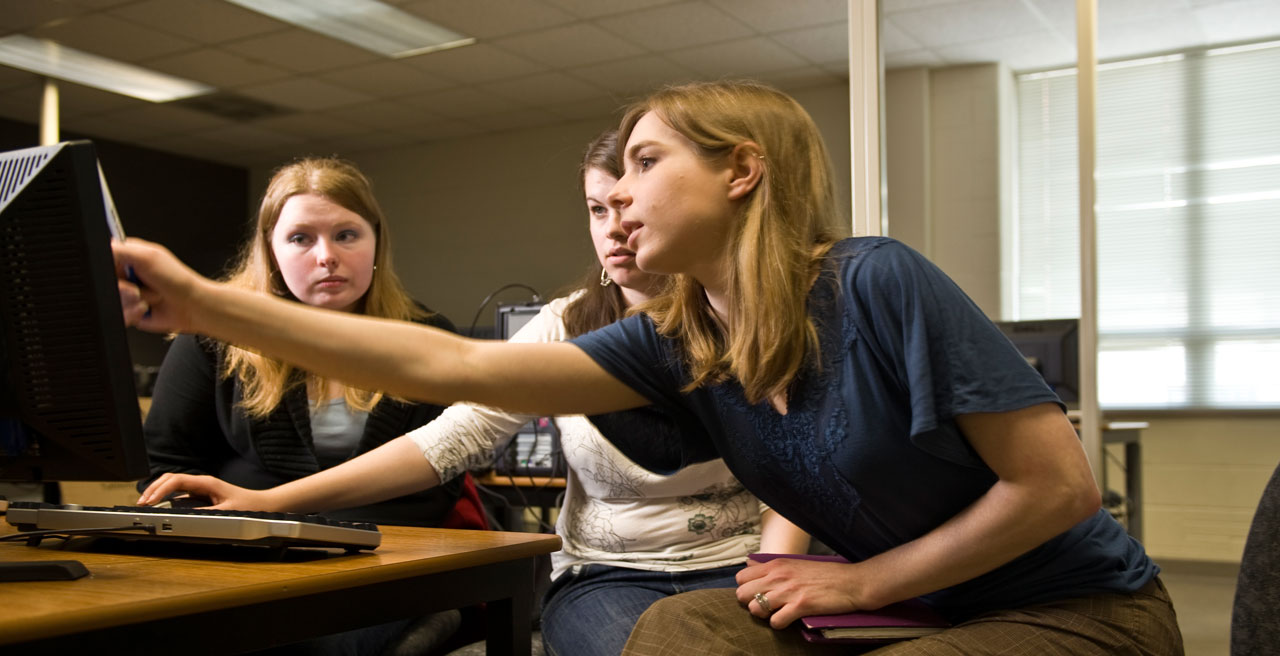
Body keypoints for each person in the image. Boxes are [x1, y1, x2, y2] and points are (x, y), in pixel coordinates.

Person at [116, 80, 1183, 656]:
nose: (614, 199)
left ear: (740, 172)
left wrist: (858, 578)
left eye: (642, 164)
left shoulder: (871, 281)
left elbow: (1059, 487)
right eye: (608, 179)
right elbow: (449, 366)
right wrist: (209, 303)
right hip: (900, 607)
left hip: (1064, 608)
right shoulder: (679, 341)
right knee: (674, 630)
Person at [137, 131, 810, 656]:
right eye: (598, 209)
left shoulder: (774, 317)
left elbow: (807, 458)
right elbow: (453, 425)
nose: (616, 228)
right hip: (611, 573)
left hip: (744, 564)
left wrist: (784, 566)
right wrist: (265, 505)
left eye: (630, 206)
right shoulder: (563, 325)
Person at [138, 157, 487, 656]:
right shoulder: (213, 338)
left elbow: (438, 479)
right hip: (244, 558)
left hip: (384, 561)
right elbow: (167, 467)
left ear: (376, 243)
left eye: (347, 234)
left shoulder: (428, 337)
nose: (327, 256)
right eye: (301, 238)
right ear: (271, 251)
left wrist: (297, 519)